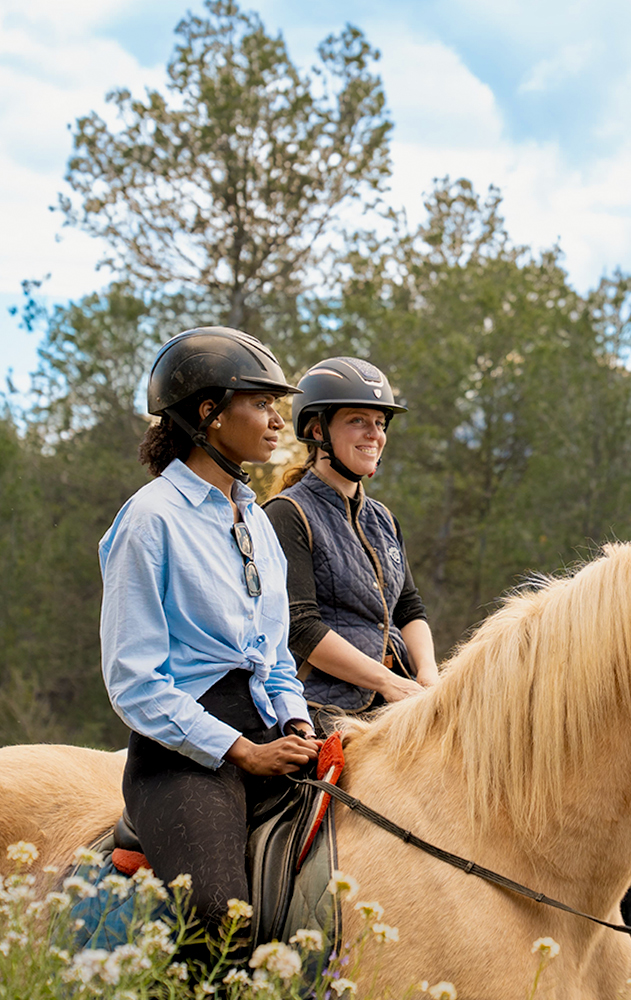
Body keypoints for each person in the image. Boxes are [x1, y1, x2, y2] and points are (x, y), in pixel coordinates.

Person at [98, 327, 318, 977]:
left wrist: (298, 720)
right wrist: (244, 751)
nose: (279, 420)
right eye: (261, 403)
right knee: (221, 914)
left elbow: (276, 656)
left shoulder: (255, 519)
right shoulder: (149, 519)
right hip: (183, 752)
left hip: (268, 721)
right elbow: (134, 682)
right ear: (209, 413)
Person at [263, 357, 438, 728]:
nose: (374, 434)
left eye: (379, 423)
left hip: (398, 699)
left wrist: (428, 677)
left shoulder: (384, 519)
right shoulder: (287, 514)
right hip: (325, 709)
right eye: (358, 420)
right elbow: (301, 627)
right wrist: (388, 683)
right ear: (317, 430)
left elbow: (409, 609)